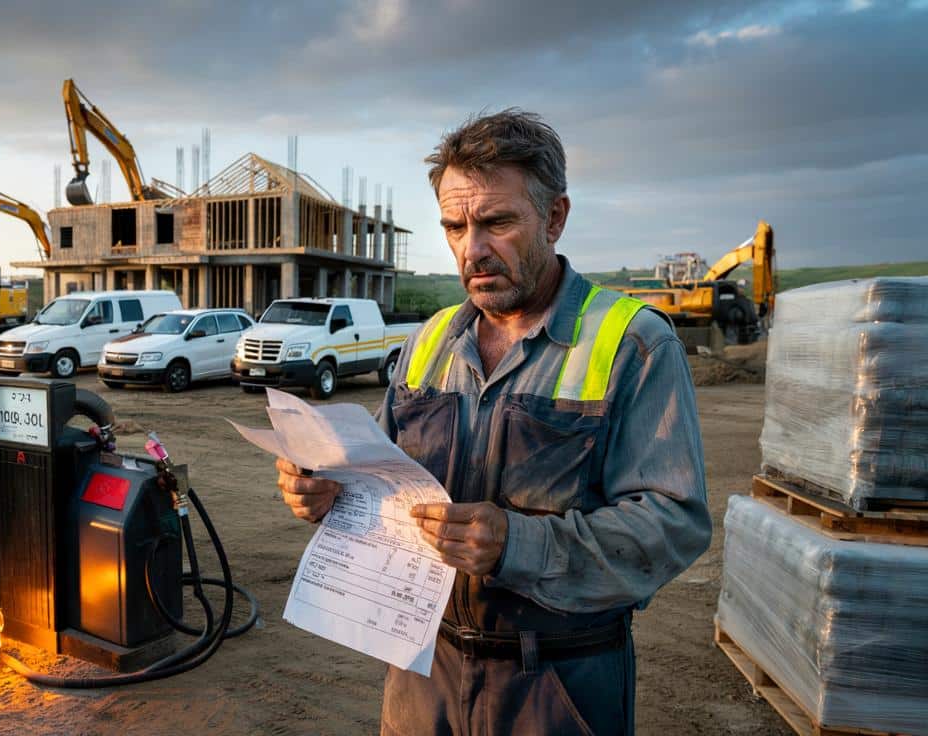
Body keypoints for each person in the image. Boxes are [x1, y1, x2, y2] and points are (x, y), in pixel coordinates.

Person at [276, 110, 711, 736]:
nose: (471, 249)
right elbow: (377, 480)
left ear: (555, 218)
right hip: (424, 673)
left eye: (497, 222)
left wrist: (517, 545)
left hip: (558, 685)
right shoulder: (427, 343)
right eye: (454, 227)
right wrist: (325, 491)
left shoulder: (633, 345)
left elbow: (673, 526)